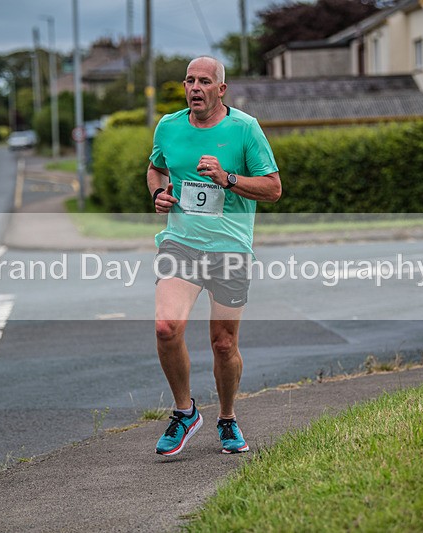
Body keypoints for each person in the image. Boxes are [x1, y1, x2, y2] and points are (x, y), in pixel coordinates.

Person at [146, 56, 281, 456]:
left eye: (205, 81)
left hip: (230, 249)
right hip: (181, 244)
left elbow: (273, 188)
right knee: (166, 327)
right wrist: (159, 194)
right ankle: (185, 412)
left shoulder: (244, 129)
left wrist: (228, 179)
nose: (195, 88)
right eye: (189, 81)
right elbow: (155, 169)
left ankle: (226, 418)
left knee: (223, 344)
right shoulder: (168, 127)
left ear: (221, 89)